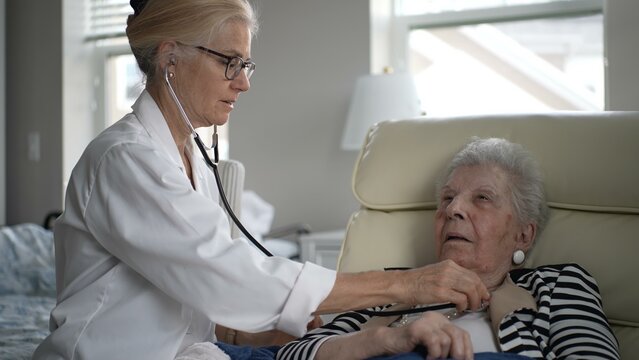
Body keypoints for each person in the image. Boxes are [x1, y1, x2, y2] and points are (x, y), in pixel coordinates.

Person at [32, 1, 491, 359]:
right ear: (171, 58)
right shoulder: (124, 160)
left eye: (246, 65)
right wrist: (408, 285)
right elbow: (229, 276)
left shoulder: (189, 155)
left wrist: (308, 335)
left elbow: (207, 306)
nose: (244, 83)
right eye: (230, 62)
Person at [277, 138, 620, 360]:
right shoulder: (392, 290)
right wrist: (385, 340)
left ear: (523, 235)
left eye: (482, 198)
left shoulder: (557, 286)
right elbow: (292, 355)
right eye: (447, 198)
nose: (453, 209)